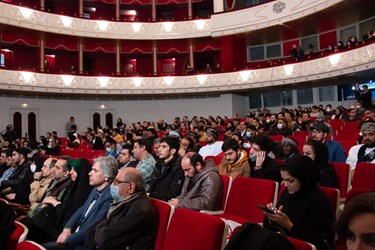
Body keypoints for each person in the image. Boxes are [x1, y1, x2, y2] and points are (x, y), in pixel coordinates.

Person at [44, 156, 118, 250]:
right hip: (75, 236)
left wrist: (68, 239)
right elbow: (81, 210)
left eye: (95, 171)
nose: (89, 173)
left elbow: (93, 226)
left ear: (107, 176)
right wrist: (67, 229)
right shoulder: (95, 189)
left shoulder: (110, 196)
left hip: (85, 244)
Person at [263, 155, 335, 250]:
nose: (286, 184)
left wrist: (289, 226)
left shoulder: (319, 201)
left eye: (290, 180)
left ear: (303, 178)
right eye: (283, 180)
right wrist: (272, 218)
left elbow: (322, 242)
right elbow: (274, 227)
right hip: (284, 242)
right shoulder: (286, 193)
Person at [85, 167, 158, 250]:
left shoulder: (141, 211)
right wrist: (104, 226)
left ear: (131, 187)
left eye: (117, 182)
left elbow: (105, 240)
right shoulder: (122, 201)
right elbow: (90, 231)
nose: (112, 185)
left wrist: (104, 224)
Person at [24, 158, 93, 243]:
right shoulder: (72, 186)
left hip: (62, 229)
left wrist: (55, 203)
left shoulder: (83, 192)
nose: (71, 172)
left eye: (74, 170)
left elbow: (69, 216)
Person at [148, 137, 184, 202]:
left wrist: (151, 194)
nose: (159, 149)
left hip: (165, 202)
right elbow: (152, 185)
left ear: (172, 151)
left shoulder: (179, 167)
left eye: (164, 147)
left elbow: (173, 192)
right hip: (152, 199)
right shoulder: (159, 164)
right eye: (159, 147)